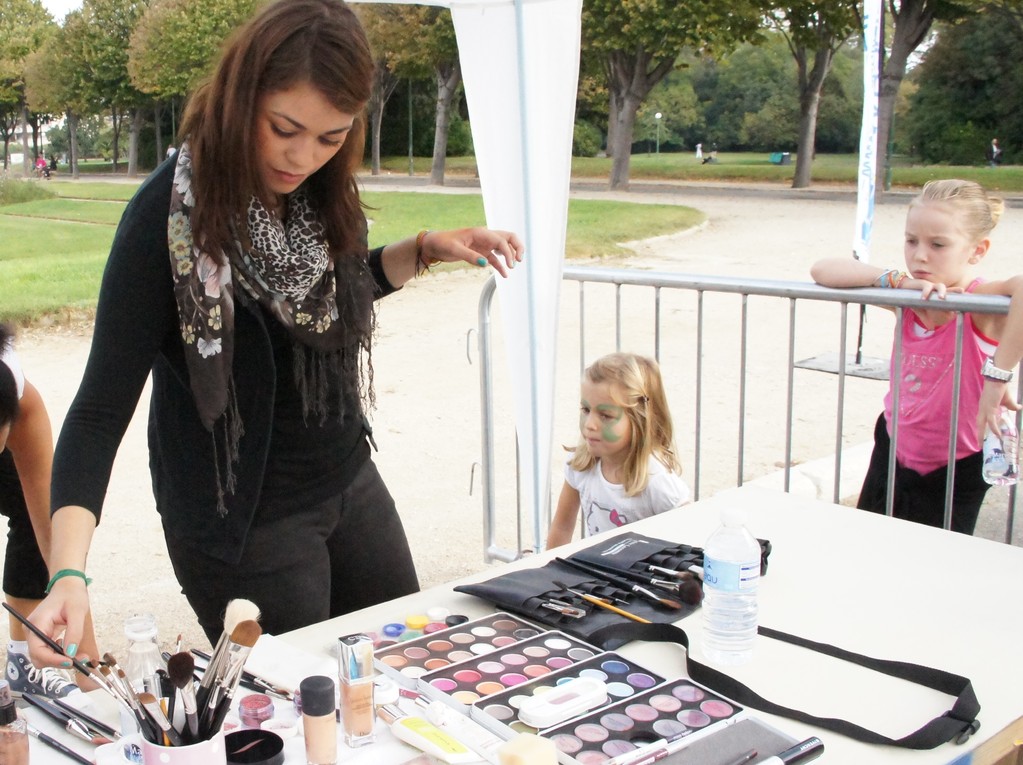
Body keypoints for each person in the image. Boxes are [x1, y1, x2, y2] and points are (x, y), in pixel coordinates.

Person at [27, 0, 523, 665]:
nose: (303, 157)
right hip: (245, 521)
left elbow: (325, 300)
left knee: (406, 678)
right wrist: (67, 573)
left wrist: (425, 248)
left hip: (347, 479)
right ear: (242, 95)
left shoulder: (319, 193)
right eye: (284, 128)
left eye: (329, 137)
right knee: (302, 715)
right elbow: (97, 410)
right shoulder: (166, 217)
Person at [811, 179, 1023, 534]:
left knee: (935, 566)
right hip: (894, 451)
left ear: (977, 250)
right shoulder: (910, 299)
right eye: (911, 241)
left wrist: (997, 376)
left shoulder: (980, 303)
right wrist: (897, 282)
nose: (920, 256)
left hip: (956, 465)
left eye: (938, 244)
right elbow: (822, 270)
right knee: (869, 544)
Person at [0, 326, 99, 697]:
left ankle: (24, 662)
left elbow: (51, 532)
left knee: (30, 515)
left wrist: (89, 669)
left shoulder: (18, 398)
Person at [546, 353, 690, 549]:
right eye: (586, 410)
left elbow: (687, 539)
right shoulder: (580, 464)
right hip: (595, 573)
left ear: (640, 420)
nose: (589, 424)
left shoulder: (657, 482)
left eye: (605, 415)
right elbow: (562, 527)